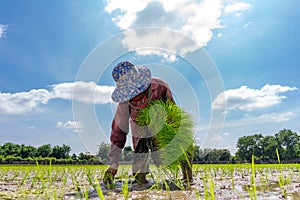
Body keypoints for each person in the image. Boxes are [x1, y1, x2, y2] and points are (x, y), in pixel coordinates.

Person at [103, 61, 193, 185]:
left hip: (163, 125)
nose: (137, 96)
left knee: (183, 143)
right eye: (132, 94)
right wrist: (113, 163)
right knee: (140, 160)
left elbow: (173, 114)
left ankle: (188, 178)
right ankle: (140, 180)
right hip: (140, 131)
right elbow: (118, 132)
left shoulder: (160, 87)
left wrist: (175, 139)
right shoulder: (124, 103)